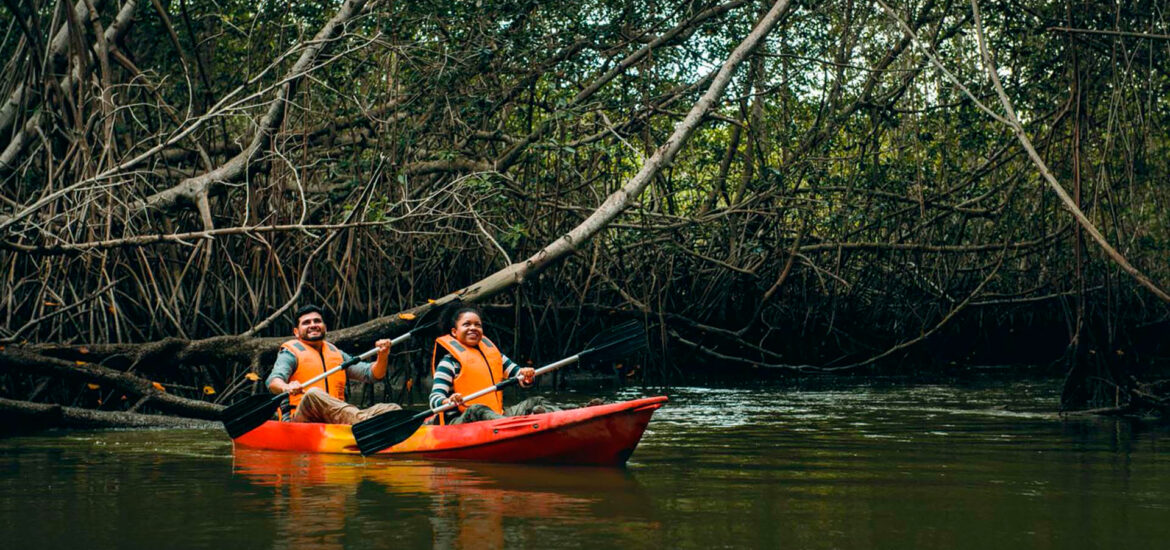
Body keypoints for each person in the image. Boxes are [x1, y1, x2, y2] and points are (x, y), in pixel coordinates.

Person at [266, 304, 402, 424]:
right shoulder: (290, 353)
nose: (313, 324)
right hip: (300, 419)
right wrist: (286, 387)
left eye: (317, 321)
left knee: (391, 409)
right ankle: (366, 422)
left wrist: (383, 355)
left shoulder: (336, 353)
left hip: (335, 417)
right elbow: (273, 381)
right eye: (306, 323)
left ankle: (373, 422)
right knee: (313, 394)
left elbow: (371, 374)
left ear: (325, 327)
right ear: (296, 332)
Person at [429, 306, 558, 424]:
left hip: (495, 416)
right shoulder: (448, 363)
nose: (473, 328)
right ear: (454, 332)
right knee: (476, 409)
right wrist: (449, 401)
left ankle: (569, 415)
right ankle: (511, 426)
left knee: (536, 401)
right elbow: (434, 399)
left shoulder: (495, 356)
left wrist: (527, 375)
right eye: (466, 324)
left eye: (477, 325)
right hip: (461, 420)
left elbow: (520, 377)